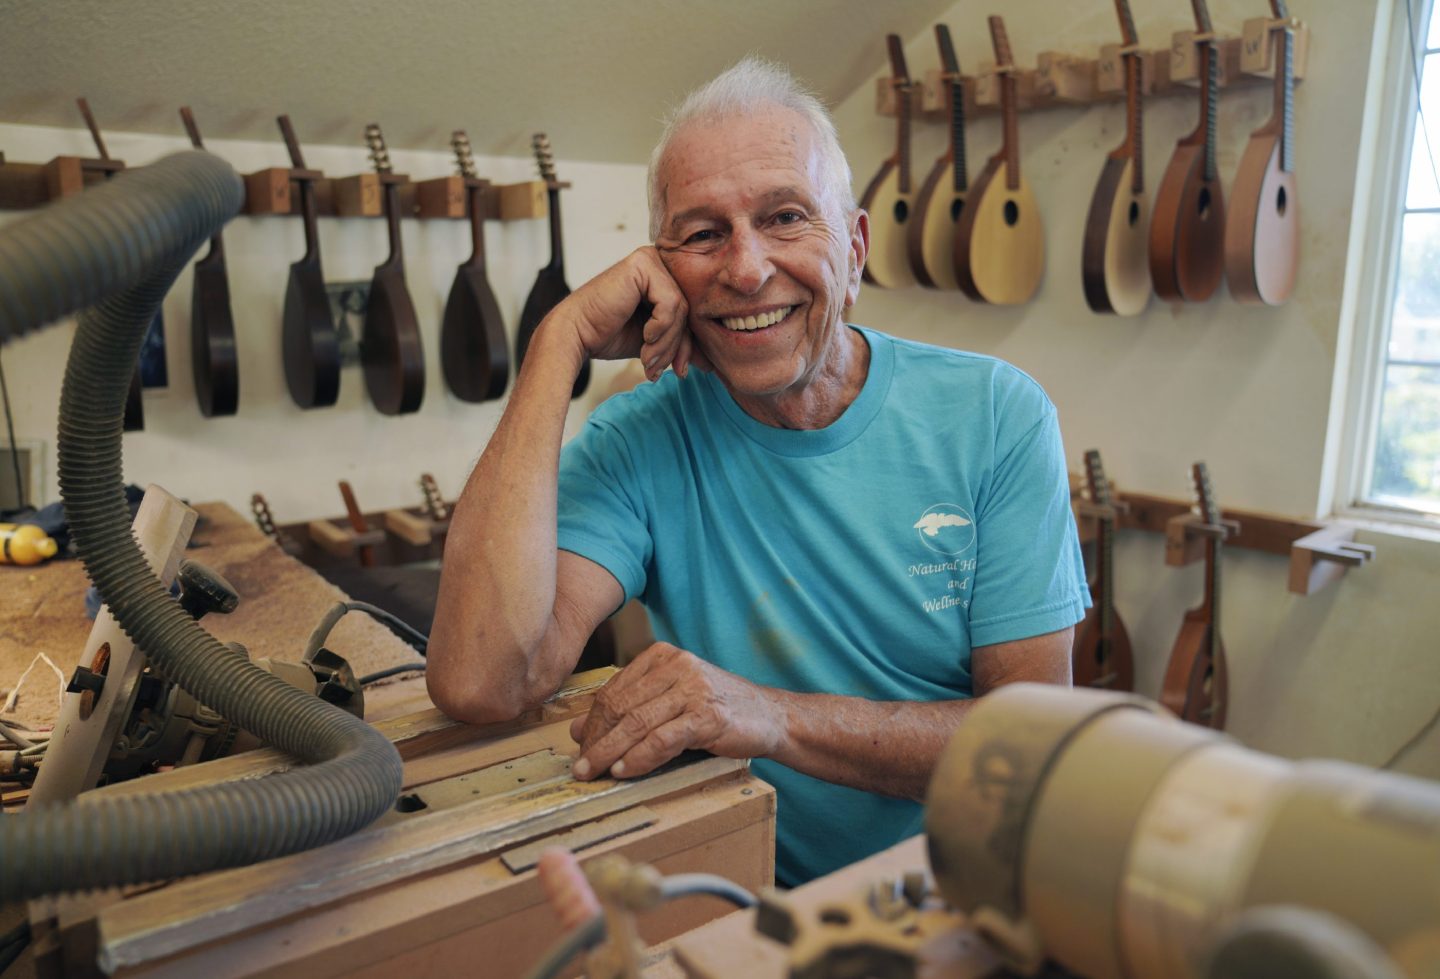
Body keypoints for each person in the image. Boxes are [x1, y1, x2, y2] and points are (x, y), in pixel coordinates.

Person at [428, 58, 1088, 886]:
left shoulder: (995, 414)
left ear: (854, 250)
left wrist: (768, 715)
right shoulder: (640, 435)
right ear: (662, 270)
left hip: (964, 892)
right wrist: (558, 342)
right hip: (745, 895)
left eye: (785, 217)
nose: (745, 269)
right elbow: (482, 679)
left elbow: (1029, 747)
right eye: (703, 234)